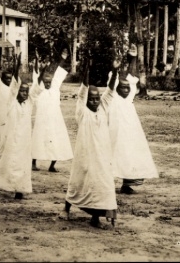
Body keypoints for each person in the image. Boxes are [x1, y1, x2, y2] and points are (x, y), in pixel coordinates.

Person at [63, 56, 119, 230]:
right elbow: (83, 91)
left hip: (102, 156)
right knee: (77, 182)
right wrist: (87, 68)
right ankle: (66, 209)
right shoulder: (82, 112)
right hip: (84, 155)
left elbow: (110, 90)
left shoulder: (103, 107)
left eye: (97, 98)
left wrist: (115, 70)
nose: (95, 101)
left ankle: (96, 218)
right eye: (92, 99)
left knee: (101, 184)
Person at [109, 54, 159, 194]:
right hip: (115, 131)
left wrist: (133, 58)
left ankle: (127, 183)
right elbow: (113, 83)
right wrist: (115, 70)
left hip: (130, 131)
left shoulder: (129, 97)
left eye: (127, 88)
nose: (125, 90)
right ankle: (105, 182)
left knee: (130, 155)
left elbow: (133, 76)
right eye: (122, 88)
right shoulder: (114, 96)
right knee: (113, 155)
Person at [0, 53, 36, 200]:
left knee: (22, 161)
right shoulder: (12, 101)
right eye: (22, 91)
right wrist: (16, 66)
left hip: (24, 140)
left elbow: (36, 90)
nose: (24, 93)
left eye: (26, 92)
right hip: (10, 136)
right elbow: (14, 86)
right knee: (5, 159)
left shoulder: (29, 103)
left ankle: (19, 189)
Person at [31, 50, 73, 172]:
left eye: (49, 82)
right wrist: (41, 67)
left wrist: (63, 58)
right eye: (46, 82)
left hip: (55, 119)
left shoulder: (55, 87)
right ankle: (34, 162)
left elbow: (58, 72)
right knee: (38, 140)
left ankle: (52, 165)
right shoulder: (39, 90)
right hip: (42, 119)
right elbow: (37, 78)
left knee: (56, 140)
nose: (48, 84)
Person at [0, 47, 14, 151]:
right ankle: (1, 151)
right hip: (3, 115)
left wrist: (15, 62)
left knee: (11, 134)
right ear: (2, 79)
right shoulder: (0, 85)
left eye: (10, 78)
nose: (9, 80)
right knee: (3, 134)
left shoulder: (13, 87)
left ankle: (8, 151)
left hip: (12, 114)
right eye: (7, 78)